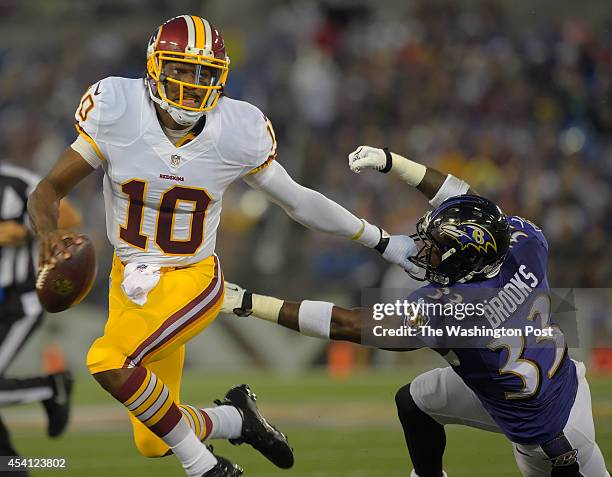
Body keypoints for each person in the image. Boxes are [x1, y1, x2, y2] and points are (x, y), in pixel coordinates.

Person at [27, 16, 416, 477]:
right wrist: (48, 233)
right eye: (181, 70)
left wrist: (380, 239)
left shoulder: (237, 128)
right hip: (127, 277)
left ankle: (205, 467)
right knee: (153, 439)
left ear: (222, 76)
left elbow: (298, 201)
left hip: (191, 278)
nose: (193, 86)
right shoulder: (117, 106)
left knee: (107, 359)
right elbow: (47, 190)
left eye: (205, 74)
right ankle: (237, 418)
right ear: (154, 67)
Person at [222, 146, 610, 477]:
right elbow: (472, 204)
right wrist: (394, 162)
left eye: (437, 247)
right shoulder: (525, 243)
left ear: (466, 260)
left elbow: (347, 323)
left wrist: (251, 303)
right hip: (559, 378)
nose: (427, 250)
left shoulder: (453, 312)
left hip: (550, 437)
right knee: (415, 401)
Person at [0, 161, 80, 475]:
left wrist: (32, 229)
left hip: (15, 304)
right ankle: (10, 466)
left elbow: (72, 216)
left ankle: (50, 386)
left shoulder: (17, 181)